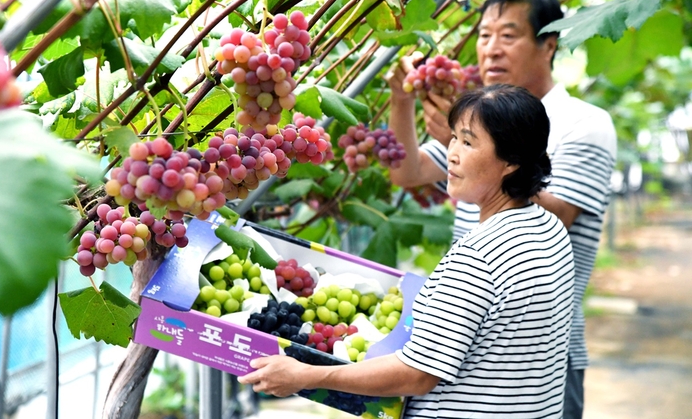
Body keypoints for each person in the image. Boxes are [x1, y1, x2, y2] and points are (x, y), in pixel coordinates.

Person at [239, 84, 575, 418]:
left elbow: (418, 374)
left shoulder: (481, 256)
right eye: (455, 137)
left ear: (510, 163)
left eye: (469, 142)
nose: (453, 152)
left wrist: (306, 375)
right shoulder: (548, 230)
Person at [387, 0, 617, 419]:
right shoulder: (485, 122)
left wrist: (473, 150)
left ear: (549, 45)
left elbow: (558, 215)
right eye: (484, 34)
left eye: (508, 36)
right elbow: (408, 172)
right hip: (468, 342)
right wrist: (403, 102)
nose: (491, 49)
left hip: (539, 355)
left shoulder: (585, 124)